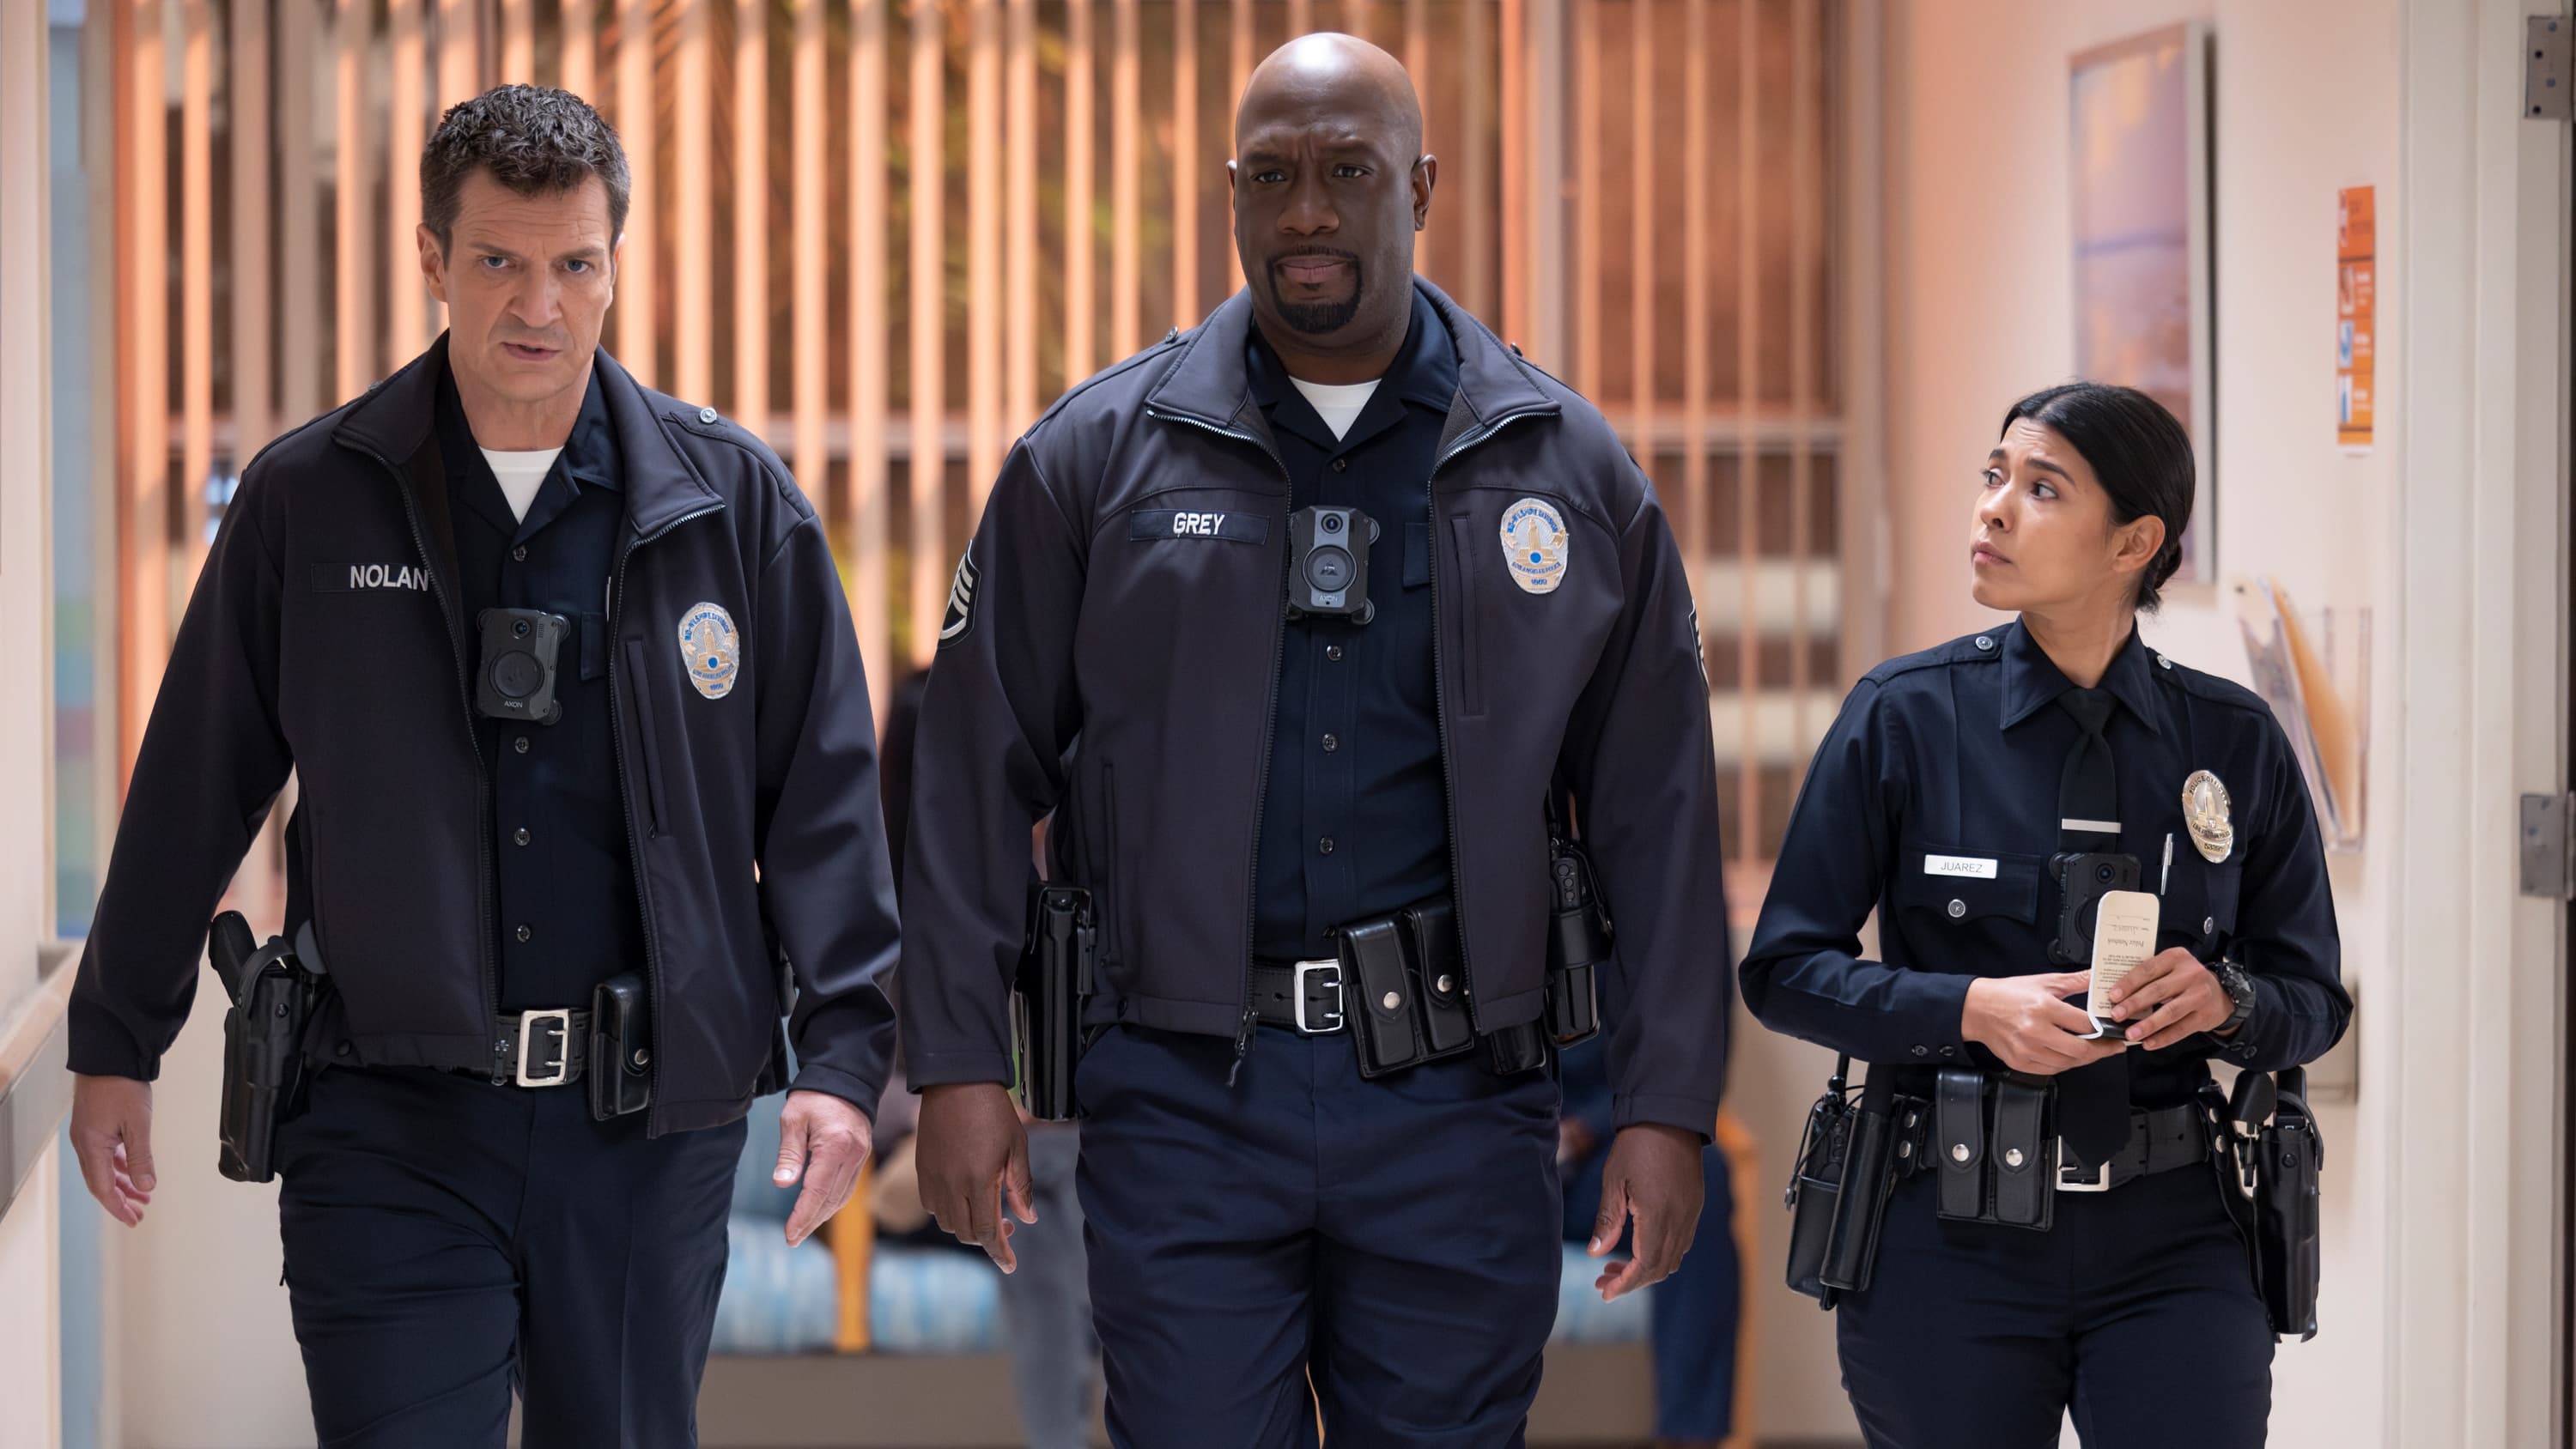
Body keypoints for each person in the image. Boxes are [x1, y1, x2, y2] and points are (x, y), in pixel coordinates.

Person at [899, 33, 1732, 1446]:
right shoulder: (1094, 460)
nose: (1305, 214)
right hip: (1182, 1098)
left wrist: (1666, 1106)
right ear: (1230, 191)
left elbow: (1658, 810)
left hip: (1458, 1103)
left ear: (1421, 186)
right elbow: (970, 774)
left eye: (1348, 173)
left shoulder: (1564, 467)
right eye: (1272, 176)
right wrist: (960, 1065)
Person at [64, 85, 899, 1446]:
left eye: (577, 265)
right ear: (432, 257)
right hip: (385, 1123)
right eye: (501, 260)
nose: (540, 305)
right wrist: (117, 1039)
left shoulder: (731, 507)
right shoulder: (312, 499)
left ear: (615, 264)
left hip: (646, 1139)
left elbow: (824, 803)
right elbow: (195, 778)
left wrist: (846, 1061)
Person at [1741, 382, 2351, 1449]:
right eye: (1994, 476)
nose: (1993, 507)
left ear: (2135, 542)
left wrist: (2226, 1001)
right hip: (1947, 1232)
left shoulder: (2235, 739)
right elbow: (1784, 967)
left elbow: (2312, 998)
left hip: (2177, 1237)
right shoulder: (1905, 716)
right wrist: (1968, 1008)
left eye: (2041, 488)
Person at [1556, 1034, 1740, 1449]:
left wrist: (1587, 1128)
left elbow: (1695, 1059)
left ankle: (1690, 1435)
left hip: (1605, 1150)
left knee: (1702, 1178)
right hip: (1494, 1144)